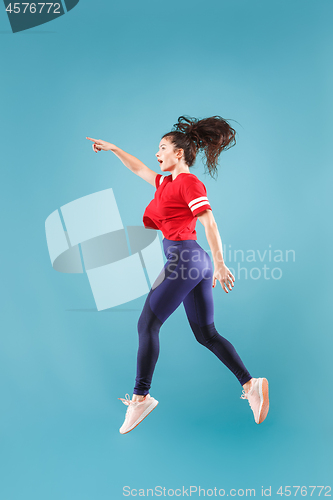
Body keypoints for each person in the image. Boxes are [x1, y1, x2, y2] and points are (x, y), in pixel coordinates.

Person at [86, 115, 269, 434]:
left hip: (185, 259)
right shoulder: (165, 183)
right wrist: (115, 149)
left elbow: (209, 221)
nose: (157, 154)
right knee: (206, 334)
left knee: (147, 324)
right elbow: (139, 169)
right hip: (194, 262)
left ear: (179, 153)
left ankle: (141, 397)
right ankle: (251, 384)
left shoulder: (188, 183)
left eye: (162, 148)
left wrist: (222, 262)